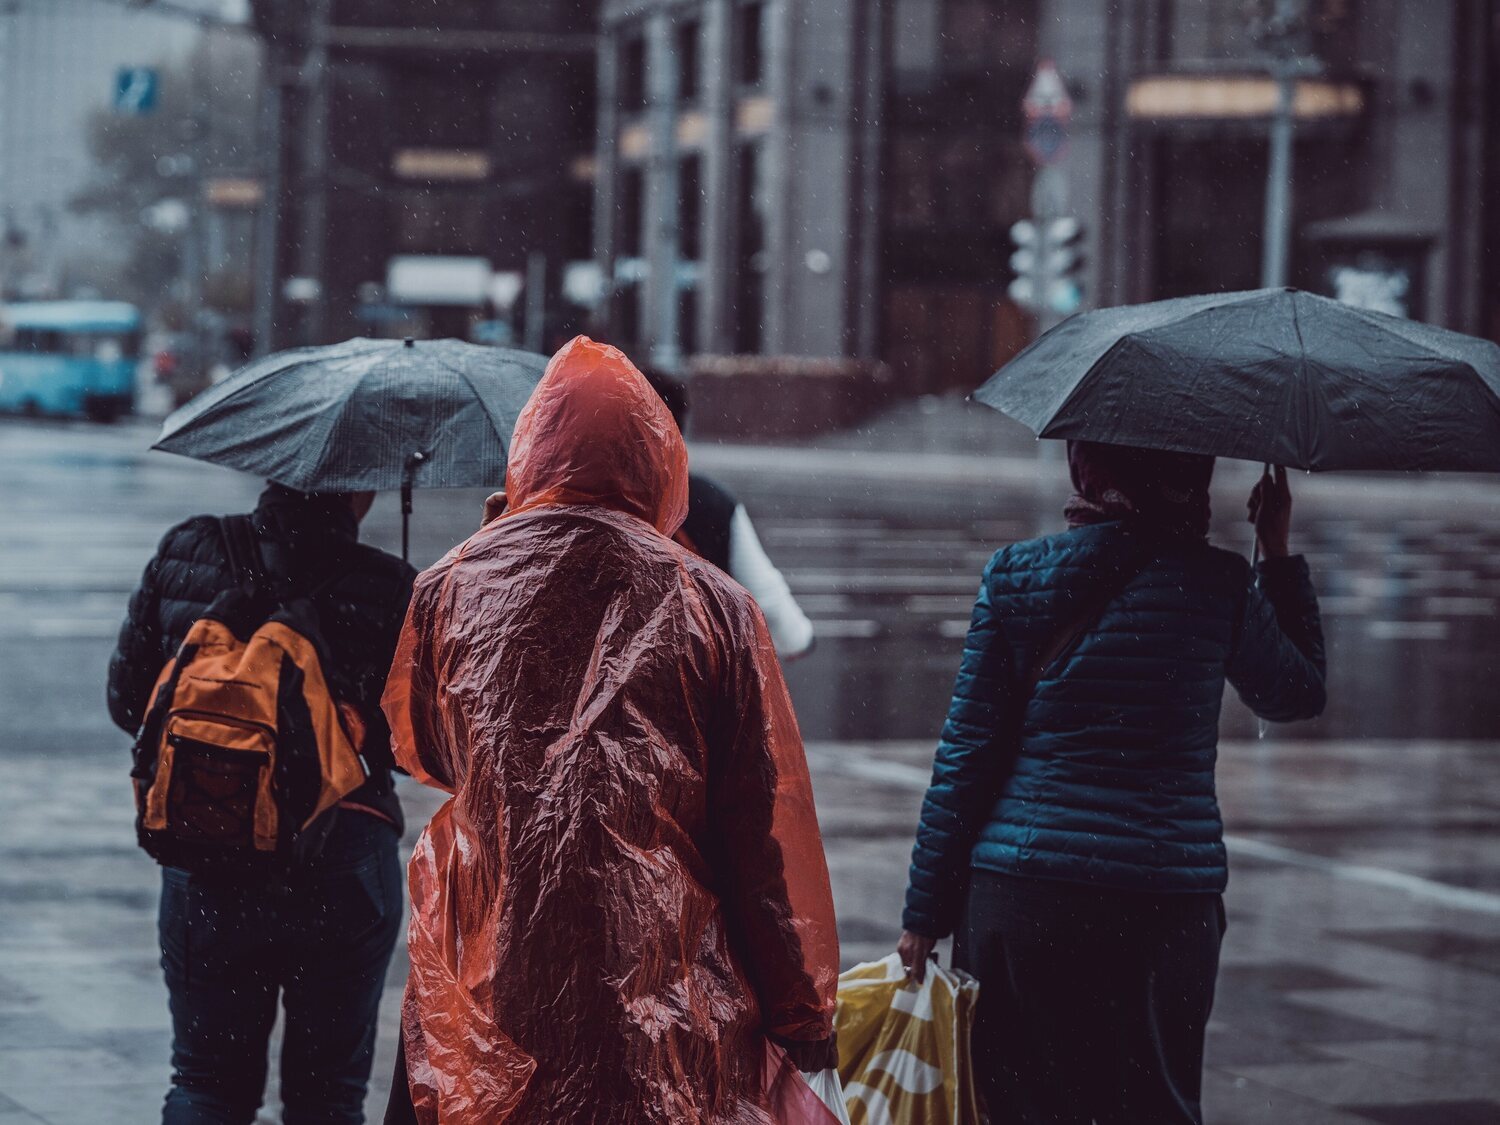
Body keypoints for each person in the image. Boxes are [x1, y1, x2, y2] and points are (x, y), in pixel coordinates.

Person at [382, 336, 838, 1123]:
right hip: (656, 970)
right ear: (658, 456)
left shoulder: (451, 586)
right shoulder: (715, 607)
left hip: (494, 957)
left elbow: (425, 747)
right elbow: (761, 831)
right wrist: (802, 1012)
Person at [896, 443, 1326, 1125]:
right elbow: (1299, 692)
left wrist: (925, 912)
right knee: (1153, 1105)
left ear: (1085, 468)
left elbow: (967, 754)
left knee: (1020, 1107)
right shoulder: (1218, 583)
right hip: (1161, 905)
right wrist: (1274, 550)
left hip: (1026, 895)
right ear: (1194, 474)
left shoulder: (1017, 575)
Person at [108, 483, 415, 1124]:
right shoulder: (391, 585)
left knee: (205, 1084)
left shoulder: (189, 548)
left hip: (211, 848)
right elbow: (422, 747)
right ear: (360, 484)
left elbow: (130, 701)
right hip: (344, 856)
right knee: (327, 1095)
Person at [643, 367, 815, 660]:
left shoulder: (572, 501)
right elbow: (768, 604)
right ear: (677, 429)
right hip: (687, 685)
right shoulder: (707, 502)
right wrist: (797, 638)